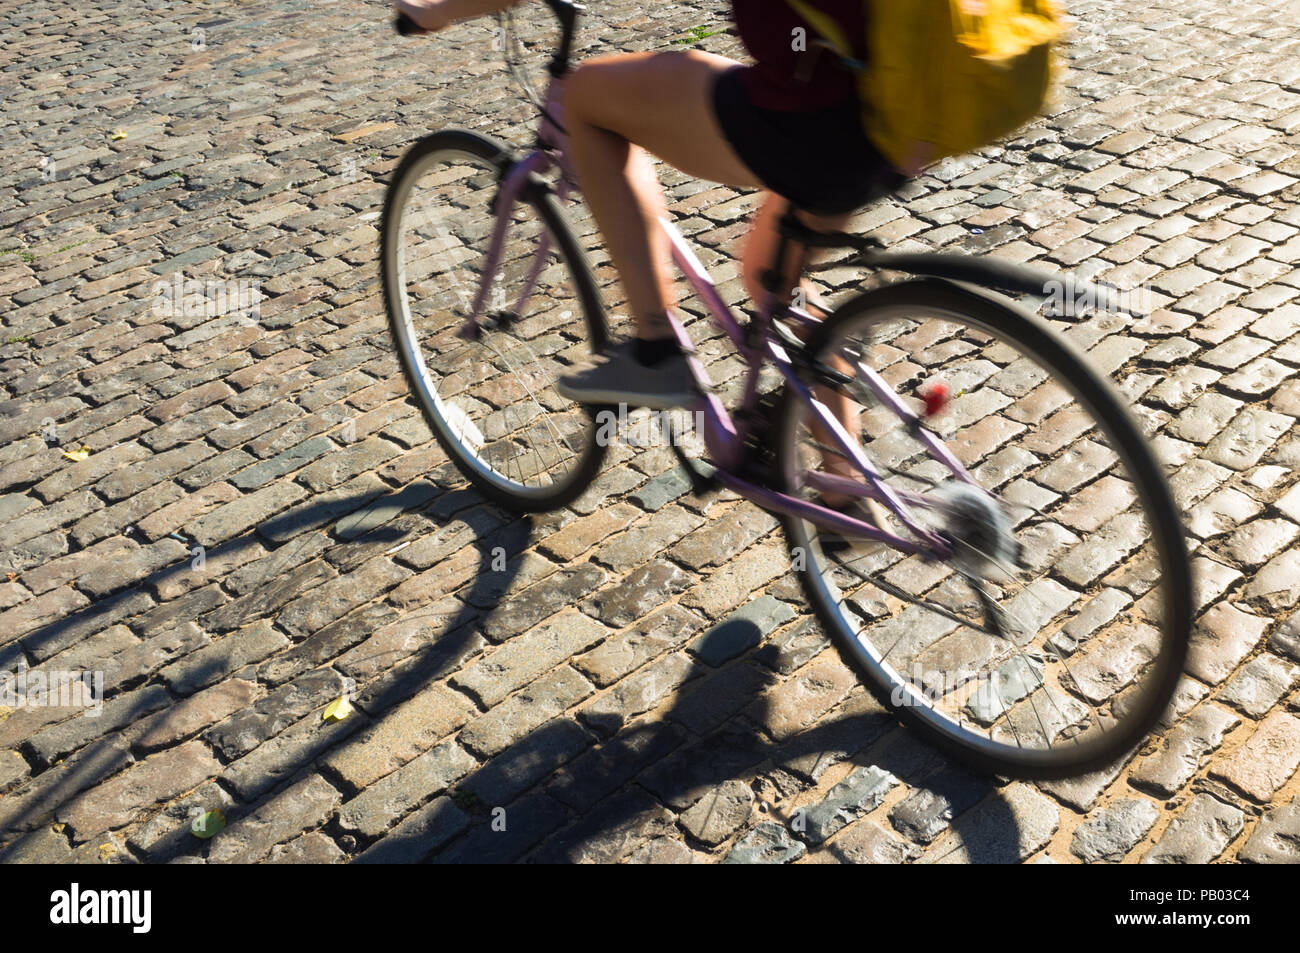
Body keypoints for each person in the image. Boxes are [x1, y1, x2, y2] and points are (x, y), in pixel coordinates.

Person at [394, 0, 906, 511]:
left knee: (587, 98)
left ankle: (657, 349)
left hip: (814, 118)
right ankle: (846, 486)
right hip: (899, 120)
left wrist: (438, 10)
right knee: (773, 282)